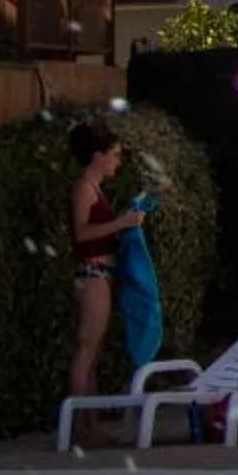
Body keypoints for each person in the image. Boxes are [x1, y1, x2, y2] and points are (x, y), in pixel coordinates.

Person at [68, 121, 149, 433]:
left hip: (101, 273)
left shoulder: (94, 189)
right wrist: (122, 223)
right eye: (113, 155)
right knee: (86, 349)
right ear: (97, 156)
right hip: (93, 272)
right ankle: (78, 424)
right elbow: (82, 232)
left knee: (93, 351)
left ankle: (90, 423)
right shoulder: (84, 189)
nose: (117, 161)